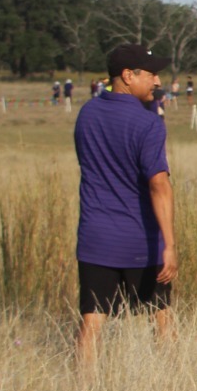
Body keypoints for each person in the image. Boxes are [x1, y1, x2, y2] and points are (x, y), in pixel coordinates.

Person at [74, 44, 178, 367]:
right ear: (128, 76)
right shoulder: (148, 124)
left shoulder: (87, 113)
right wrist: (170, 245)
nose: (157, 81)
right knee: (161, 317)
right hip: (139, 240)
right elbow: (159, 184)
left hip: (94, 239)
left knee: (91, 324)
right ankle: (171, 384)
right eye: (151, 74)